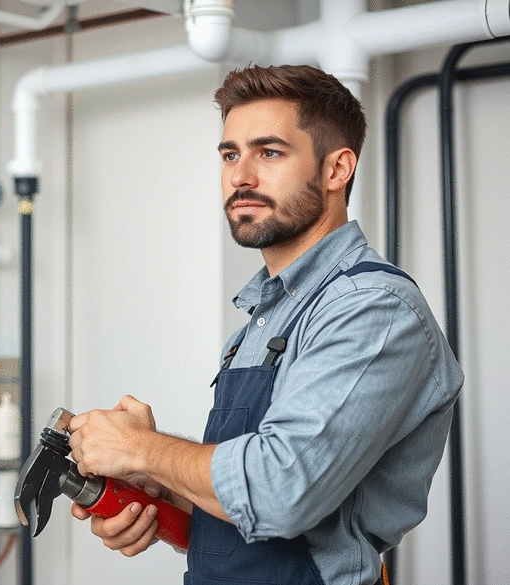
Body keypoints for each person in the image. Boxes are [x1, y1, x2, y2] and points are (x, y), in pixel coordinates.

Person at [67, 64, 463, 585]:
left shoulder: (372, 308)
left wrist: (141, 447)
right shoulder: (265, 316)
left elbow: (282, 492)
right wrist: (155, 490)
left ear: (336, 169)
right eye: (231, 154)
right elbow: (247, 522)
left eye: (269, 152)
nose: (241, 176)